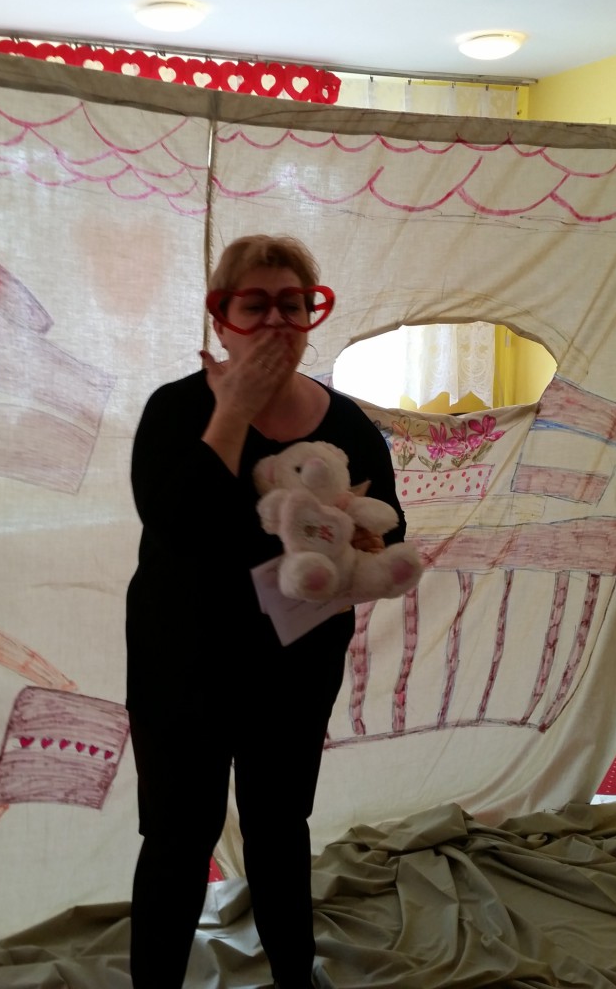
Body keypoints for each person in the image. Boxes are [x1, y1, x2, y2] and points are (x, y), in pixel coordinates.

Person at [125, 234, 407, 989]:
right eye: (256, 305)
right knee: (178, 838)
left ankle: (293, 978)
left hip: (295, 663)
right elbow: (177, 524)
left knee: (280, 828)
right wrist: (235, 411)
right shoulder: (176, 409)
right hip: (181, 660)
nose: (278, 320)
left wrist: (362, 539)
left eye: (294, 304)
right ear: (223, 319)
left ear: (312, 315)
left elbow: (388, 525)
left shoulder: (346, 424)